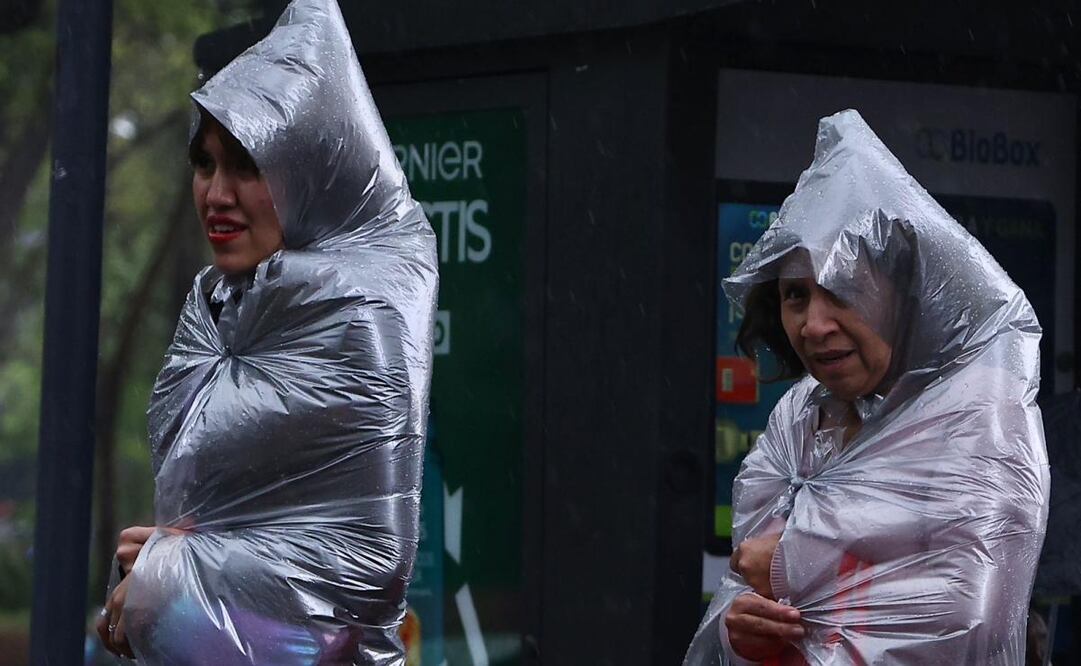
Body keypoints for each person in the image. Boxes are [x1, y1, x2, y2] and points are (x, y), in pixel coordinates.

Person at [95, 0, 438, 663]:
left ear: (307, 173)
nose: (215, 193)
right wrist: (151, 577)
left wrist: (168, 576)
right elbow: (211, 527)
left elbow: (364, 567)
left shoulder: (354, 318)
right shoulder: (218, 307)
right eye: (204, 164)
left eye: (246, 167)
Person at [684, 110, 1049, 665]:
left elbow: (969, 619)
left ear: (903, 293)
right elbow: (746, 586)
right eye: (795, 296)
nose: (814, 324)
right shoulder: (798, 417)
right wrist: (743, 632)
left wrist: (792, 565)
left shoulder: (978, 412)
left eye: (842, 289)